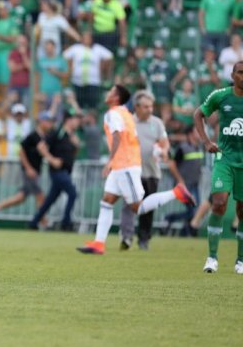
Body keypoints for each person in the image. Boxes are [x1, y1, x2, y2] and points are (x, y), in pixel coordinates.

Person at [77, 85, 196, 255]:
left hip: (125, 165)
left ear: (116, 98)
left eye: (111, 92)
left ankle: (176, 193)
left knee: (137, 208)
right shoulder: (126, 115)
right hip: (123, 165)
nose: (107, 94)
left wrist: (109, 161)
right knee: (107, 200)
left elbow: (117, 135)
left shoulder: (114, 114)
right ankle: (98, 243)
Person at [193, 60, 243, 274]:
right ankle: (212, 257)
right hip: (224, 159)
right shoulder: (220, 95)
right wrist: (206, 142)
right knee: (219, 203)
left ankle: (240, 260)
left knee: (242, 211)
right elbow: (198, 114)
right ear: (233, 75)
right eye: (241, 72)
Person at [118, 90, 170, 251]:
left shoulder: (157, 123)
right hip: (132, 172)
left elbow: (164, 143)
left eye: (151, 106)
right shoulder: (128, 122)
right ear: (137, 107)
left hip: (152, 172)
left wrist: (164, 151)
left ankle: (144, 238)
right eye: (146, 107)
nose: (150, 109)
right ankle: (126, 236)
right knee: (129, 204)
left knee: (148, 207)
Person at [29, 111, 81, 231]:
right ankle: (66, 223)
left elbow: (73, 153)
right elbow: (41, 147)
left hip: (66, 171)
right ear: (68, 120)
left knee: (50, 199)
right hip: (58, 172)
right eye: (75, 119)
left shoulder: (71, 136)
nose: (78, 122)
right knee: (72, 193)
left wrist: (76, 145)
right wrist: (51, 160)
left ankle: (34, 222)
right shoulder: (58, 133)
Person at [0, 111, 53, 216]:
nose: (50, 124)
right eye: (48, 121)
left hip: (35, 172)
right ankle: (42, 222)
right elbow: (21, 151)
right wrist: (28, 168)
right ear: (41, 121)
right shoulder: (33, 136)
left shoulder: (44, 136)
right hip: (29, 173)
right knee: (40, 196)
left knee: (20, 198)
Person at [164, 125, 204, 237]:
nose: (201, 133)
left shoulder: (199, 147)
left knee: (194, 211)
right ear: (191, 134)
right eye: (197, 131)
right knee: (193, 211)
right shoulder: (182, 148)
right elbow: (172, 164)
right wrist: (180, 180)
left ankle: (180, 228)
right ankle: (172, 220)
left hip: (195, 184)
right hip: (185, 185)